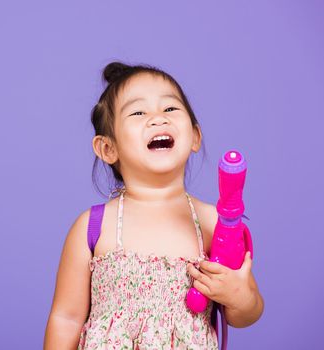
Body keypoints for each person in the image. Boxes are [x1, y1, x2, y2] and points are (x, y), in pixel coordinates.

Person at [43, 61, 264, 349]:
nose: (158, 119)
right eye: (138, 112)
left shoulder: (212, 222)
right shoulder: (93, 227)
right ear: (108, 148)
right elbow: (66, 318)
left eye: (170, 109)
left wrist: (240, 296)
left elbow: (247, 314)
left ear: (195, 136)